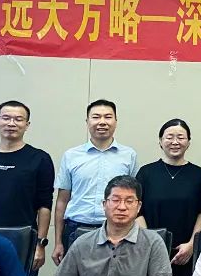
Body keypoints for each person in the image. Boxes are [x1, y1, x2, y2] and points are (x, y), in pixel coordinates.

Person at [45, 175, 172, 276]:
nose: (122, 207)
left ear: (138, 206)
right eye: (115, 200)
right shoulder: (83, 242)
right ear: (104, 204)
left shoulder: (153, 241)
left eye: (129, 201)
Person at [0, 100, 55, 275]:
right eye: (6, 118)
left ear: (27, 125)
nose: (11, 123)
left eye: (18, 119)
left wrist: (40, 244)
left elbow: (45, 205)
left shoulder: (40, 159)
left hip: (24, 239)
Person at [52, 99, 138, 266]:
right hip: (76, 230)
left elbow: (133, 198)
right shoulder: (71, 155)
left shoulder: (129, 155)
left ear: (116, 121)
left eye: (108, 117)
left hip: (117, 230)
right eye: (96, 117)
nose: (102, 122)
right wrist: (58, 242)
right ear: (87, 121)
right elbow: (62, 200)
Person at [135, 119, 201, 276]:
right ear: (160, 141)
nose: (175, 142)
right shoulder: (146, 173)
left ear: (188, 142)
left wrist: (191, 244)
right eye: (169, 137)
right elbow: (137, 210)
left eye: (181, 137)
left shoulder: (199, 175)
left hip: (185, 252)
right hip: (149, 249)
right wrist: (152, 243)